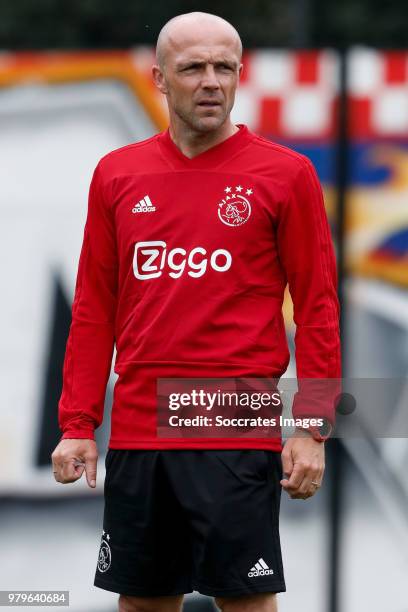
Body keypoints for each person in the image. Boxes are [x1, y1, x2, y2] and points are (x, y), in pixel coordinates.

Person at [51, 11, 341, 612]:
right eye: (193, 68)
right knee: (143, 601)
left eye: (224, 68)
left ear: (241, 74)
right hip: (138, 424)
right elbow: (94, 308)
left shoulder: (286, 174)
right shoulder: (117, 173)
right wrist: (78, 422)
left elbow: (317, 308)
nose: (211, 82)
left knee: (247, 600)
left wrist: (311, 427)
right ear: (159, 78)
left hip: (237, 419)